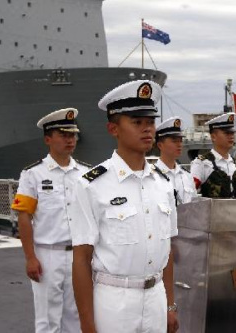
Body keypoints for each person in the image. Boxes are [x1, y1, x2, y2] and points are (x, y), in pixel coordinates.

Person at [69, 80, 179, 333]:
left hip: (156, 297)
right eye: (136, 122)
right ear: (113, 129)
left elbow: (168, 251)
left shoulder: (163, 183)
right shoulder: (91, 185)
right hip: (114, 300)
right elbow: (81, 258)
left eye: (150, 122)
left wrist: (170, 306)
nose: (147, 129)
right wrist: (87, 323)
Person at [11, 108, 90, 333]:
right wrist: (30, 258)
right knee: (48, 319)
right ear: (48, 139)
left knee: (76, 316)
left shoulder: (86, 173)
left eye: (73, 135)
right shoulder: (33, 174)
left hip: (79, 255)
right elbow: (24, 216)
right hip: (48, 255)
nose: (70, 140)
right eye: (64, 135)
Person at [190, 112, 236, 198]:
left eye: (232, 133)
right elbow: (190, 194)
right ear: (213, 137)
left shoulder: (235, 164)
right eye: (227, 133)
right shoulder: (202, 164)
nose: (231, 136)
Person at [155, 116, 197, 204]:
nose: (179, 145)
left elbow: (194, 207)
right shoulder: (152, 177)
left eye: (180, 140)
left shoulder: (187, 176)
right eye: (174, 141)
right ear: (160, 145)